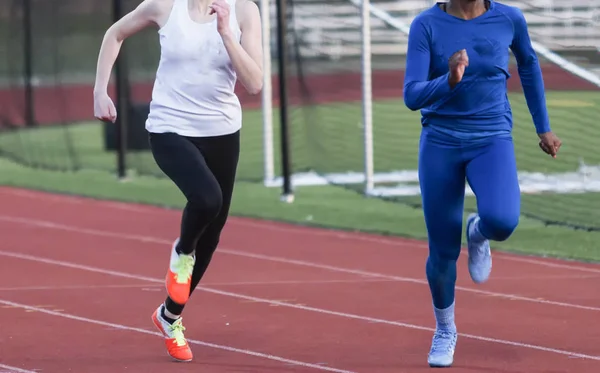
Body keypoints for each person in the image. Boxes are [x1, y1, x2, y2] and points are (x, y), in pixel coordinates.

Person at [93, 0, 263, 362]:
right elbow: (115, 33)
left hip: (222, 131)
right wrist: (99, 90)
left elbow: (256, 82)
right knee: (206, 199)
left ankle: (169, 317)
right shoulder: (163, 5)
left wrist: (226, 34)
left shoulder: (244, 10)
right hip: (171, 127)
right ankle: (182, 252)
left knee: (213, 235)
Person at [403, 0, 561, 368]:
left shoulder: (509, 18)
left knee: (503, 221)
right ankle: (445, 330)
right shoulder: (425, 25)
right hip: (440, 141)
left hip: (491, 137)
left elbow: (529, 64)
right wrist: (449, 80)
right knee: (442, 248)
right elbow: (411, 94)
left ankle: (478, 231)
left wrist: (543, 126)